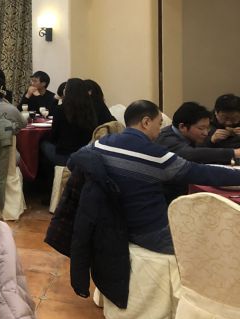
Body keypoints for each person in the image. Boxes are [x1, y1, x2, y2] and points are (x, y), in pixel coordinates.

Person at [70, 100, 240, 254]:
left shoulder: (101, 143)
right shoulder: (155, 155)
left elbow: (73, 161)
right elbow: (202, 173)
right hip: (149, 232)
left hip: (111, 223)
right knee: (217, 241)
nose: (160, 131)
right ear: (146, 122)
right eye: (159, 124)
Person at [155, 101, 239, 165]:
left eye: (207, 128)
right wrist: (234, 153)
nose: (206, 133)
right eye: (201, 128)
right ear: (182, 127)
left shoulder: (190, 136)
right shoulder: (166, 138)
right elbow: (192, 154)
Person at [42, 77, 99, 168]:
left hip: (65, 156)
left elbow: (54, 136)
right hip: (85, 155)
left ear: (68, 91)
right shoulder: (90, 109)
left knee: (42, 143)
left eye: (65, 87)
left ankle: (46, 175)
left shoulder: (61, 109)